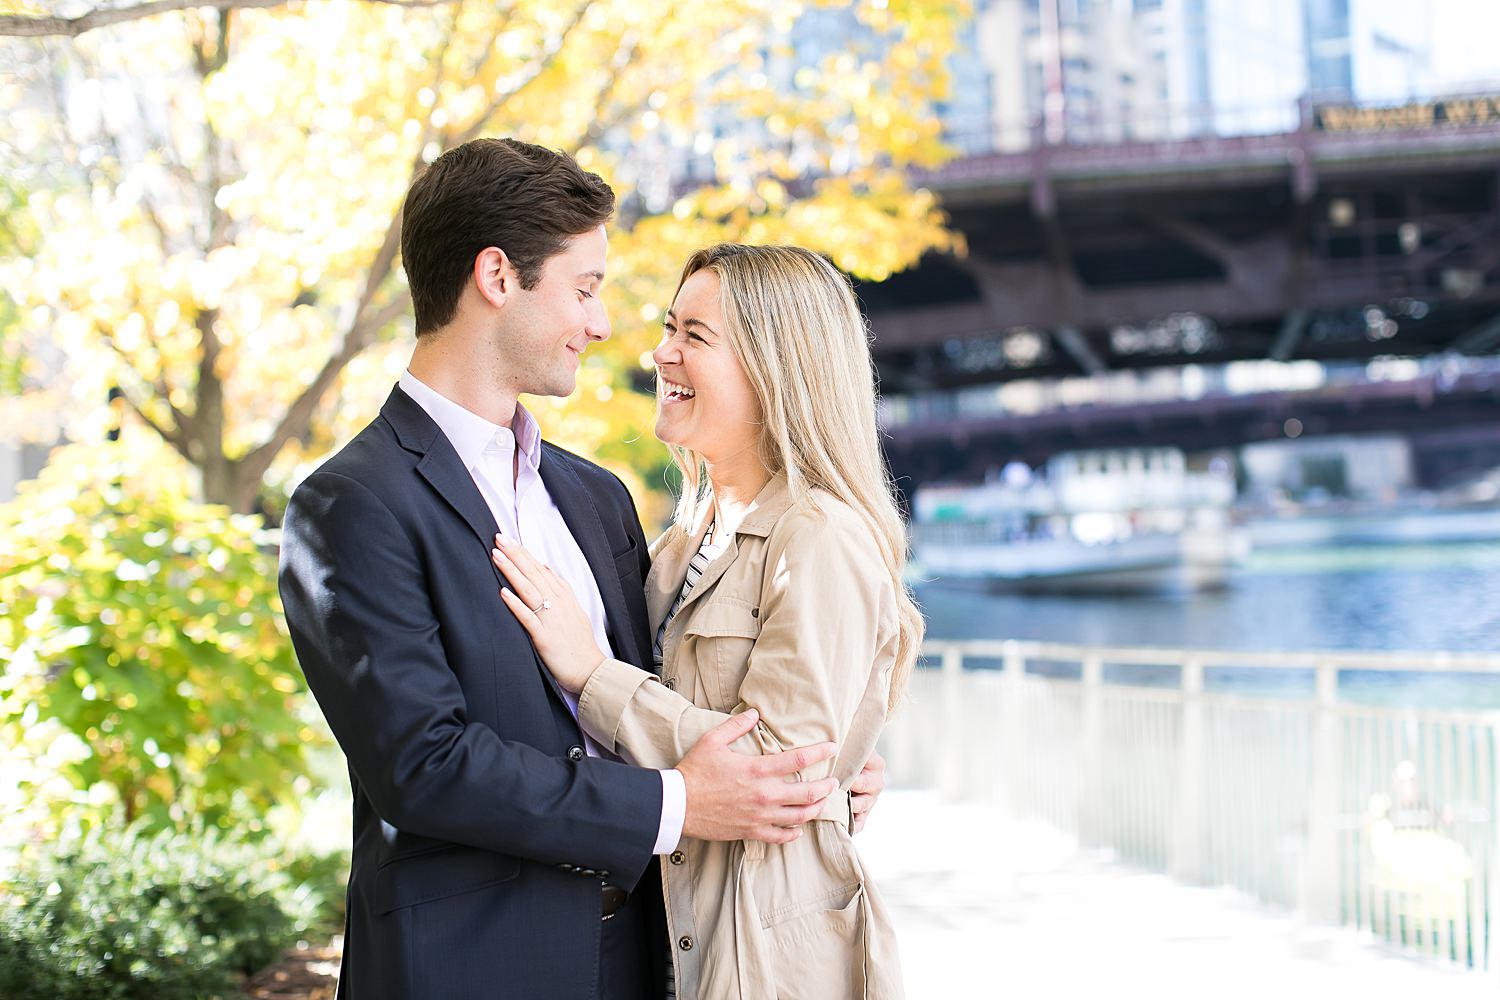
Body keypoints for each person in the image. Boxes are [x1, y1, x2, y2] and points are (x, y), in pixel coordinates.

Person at [277, 140, 886, 1000]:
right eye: (586, 288)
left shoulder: (595, 497)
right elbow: (423, 766)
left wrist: (825, 765)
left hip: (656, 958)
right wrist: (679, 803)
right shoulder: (352, 503)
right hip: (472, 971)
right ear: (497, 277)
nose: (604, 326)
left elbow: (678, 687)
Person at [492, 243, 922, 999]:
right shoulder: (684, 540)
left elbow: (771, 769)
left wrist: (595, 675)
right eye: (668, 327)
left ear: (772, 367)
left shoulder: (818, 535)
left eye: (694, 335)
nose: (660, 353)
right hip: (675, 927)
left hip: (766, 954)